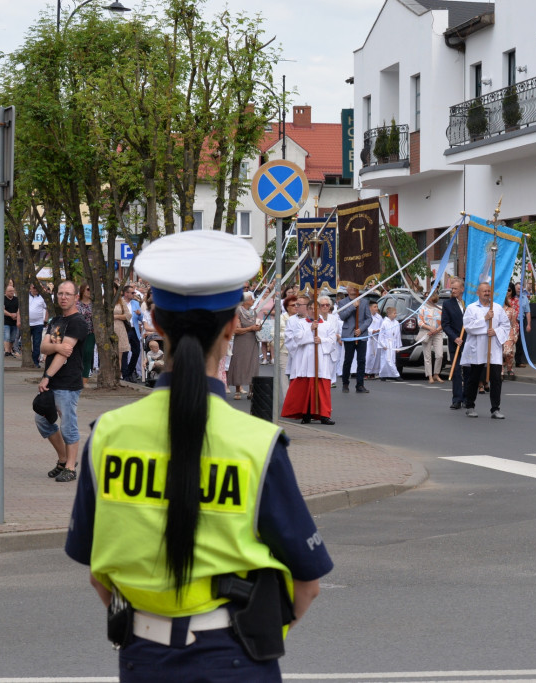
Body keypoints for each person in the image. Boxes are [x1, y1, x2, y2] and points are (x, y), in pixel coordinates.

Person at [64, 230, 332, 681]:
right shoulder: (256, 442)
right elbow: (308, 585)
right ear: (231, 326)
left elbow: (97, 573)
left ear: (156, 324)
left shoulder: (107, 435)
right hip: (235, 656)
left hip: (141, 657)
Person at [37, 281, 87, 482]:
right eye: (60, 293)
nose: (63, 297)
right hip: (52, 382)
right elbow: (43, 347)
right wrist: (56, 347)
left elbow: (65, 354)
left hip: (67, 381)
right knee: (42, 419)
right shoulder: (56, 320)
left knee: (68, 424)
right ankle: (63, 459)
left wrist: (47, 376)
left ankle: (70, 468)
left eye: (68, 294)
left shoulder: (78, 322)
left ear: (76, 297)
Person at [281, 295, 339, 425]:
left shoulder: (328, 325)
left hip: (321, 361)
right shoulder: (300, 324)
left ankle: (324, 415)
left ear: (319, 310)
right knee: (306, 389)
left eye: (315, 308)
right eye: (311, 309)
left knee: (322, 389)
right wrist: (310, 330)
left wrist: (321, 340)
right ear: (307, 310)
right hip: (305, 361)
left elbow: (332, 341)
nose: (313, 311)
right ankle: (306, 414)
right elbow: (297, 339)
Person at [461, 282, 510, 419]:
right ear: (478, 293)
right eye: (484, 291)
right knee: (474, 377)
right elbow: (468, 327)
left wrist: (496, 331)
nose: (487, 293)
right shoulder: (471, 308)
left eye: (489, 291)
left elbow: (506, 325)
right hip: (477, 348)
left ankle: (495, 408)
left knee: (496, 379)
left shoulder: (498, 308)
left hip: (493, 348)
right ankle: (470, 405)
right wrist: (485, 320)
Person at [227, 291, 262, 400]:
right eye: (252, 299)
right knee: (240, 363)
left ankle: (251, 390)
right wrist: (250, 329)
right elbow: (236, 330)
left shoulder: (253, 312)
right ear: (245, 301)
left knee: (253, 364)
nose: (253, 300)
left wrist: (257, 328)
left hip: (252, 341)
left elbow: (254, 326)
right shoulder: (238, 311)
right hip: (241, 341)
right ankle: (238, 390)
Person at [338, 284, 372, 394]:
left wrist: (361, 329)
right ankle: (345, 383)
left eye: (355, 287)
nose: (353, 288)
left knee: (361, 360)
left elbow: (369, 319)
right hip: (349, 335)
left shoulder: (365, 302)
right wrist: (353, 306)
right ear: (346, 289)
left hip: (361, 335)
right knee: (348, 360)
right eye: (351, 287)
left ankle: (360, 384)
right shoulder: (342, 302)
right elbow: (342, 316)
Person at [441, 277, 467, 409]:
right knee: (456, 371)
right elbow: (445, 325)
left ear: (462, 289)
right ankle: (457, 399)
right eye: (452, 288)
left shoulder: (468, 303)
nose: (453, 291)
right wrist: (455, 338)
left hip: (469, 342)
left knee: (468, 371)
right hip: (455, 342)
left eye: (455, 288)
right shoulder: (447, 304)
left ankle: (467, 398)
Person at [418, 290, 444, 384]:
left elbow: (444, 322)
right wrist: (429, 328)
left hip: (438, 333)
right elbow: (419, 322)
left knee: (439, 355)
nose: (428, 300)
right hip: (427, 333)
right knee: (427, 355)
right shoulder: (422, 308)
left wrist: (436, 330)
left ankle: (436, 374)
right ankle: (429, 376)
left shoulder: (440, 308)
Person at [113, 286, 136, 382]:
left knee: (120, 354)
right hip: (107, 328)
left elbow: (128, 315)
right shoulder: (102, 301)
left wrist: (116, 316)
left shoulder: (120, 301)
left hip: (120, 328)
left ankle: (118, 376)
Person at [276, 295, 298, 395]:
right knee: (285, 375)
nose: (296, 307)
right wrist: (288, 335)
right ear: (287, 307)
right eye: (293, 305)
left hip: (298, 351)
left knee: (298, 375)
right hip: (284, 350)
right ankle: (287, 398)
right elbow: (274, 333)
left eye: (297, 304)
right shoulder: (281, 318)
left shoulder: (301, 318)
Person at [376, 305, 402, 381]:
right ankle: (396, 375)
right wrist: (383, 344)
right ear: (389, 314)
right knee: (387, 359)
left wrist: (398, 347)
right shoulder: (384, 323)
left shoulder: (396, 322)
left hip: (393, 343)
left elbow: (398, 335)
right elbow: (381, 335)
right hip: (387, 343)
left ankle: (383, 375)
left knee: (392, 360)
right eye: (394, 313)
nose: (396, 314)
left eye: (396, 313)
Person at [27, 283, 48, 368]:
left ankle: (35, 361)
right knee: (27, 343)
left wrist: (46, 319)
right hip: (27, 324)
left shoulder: (42, 297)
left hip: (38, 324)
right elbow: (20, 309)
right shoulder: (25, 296)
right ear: (30, 288)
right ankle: (28, 360)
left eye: (37, 288)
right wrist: (19, 320)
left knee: (37, 343)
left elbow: (47, 308)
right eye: (34, 287)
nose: (35, 289)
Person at [502, 284, 520, 379]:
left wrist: (515, 336)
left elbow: (514, 324)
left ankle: (509, 367)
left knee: (507, 352)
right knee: (498, 353)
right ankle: (501, 370)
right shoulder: (496, 309)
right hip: (497, 333)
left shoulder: (511, 310)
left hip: (509, 333)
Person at [514, 282, 532, 367]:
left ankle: (518, 361)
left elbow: (528, 312)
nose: (519, 290)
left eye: (520, 289)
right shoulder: (511, 298)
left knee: (519, 342)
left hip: (520, 321)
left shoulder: (525, 298)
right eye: (517, 288)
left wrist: (528, 324)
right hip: (510, 322)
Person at [364, 301, 383, 379]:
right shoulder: (366, 316)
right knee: (368, 355)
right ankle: (365, 372)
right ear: (370, 308)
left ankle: (373, 372)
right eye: (374, 307)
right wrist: (372, 331)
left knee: (376, 355)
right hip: (369, 338)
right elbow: (364, 326)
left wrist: (379, 330)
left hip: (377, 338)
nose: (376, 308)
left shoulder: (379, 317)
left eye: (377, 307)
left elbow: (382, 326)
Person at [2, 284, 20, 358]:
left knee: (13, 337)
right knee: (7, 336)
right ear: (6, 292)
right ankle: (6, 351)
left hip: (14, 321)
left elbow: (19, 308)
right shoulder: (3, 299)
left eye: (12, 291)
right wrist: (10, 315)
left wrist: (16, 315)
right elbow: (2, 309)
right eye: (10, 291)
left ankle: (9, 351)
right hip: (6, 321)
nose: (11, 292)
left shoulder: (16, 299)